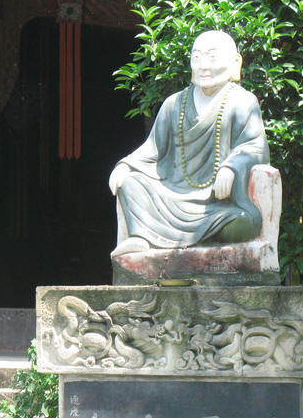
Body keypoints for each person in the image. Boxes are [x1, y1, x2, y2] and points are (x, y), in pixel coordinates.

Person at [109, 31, 270, 256]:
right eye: (197, 57)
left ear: (235, 62)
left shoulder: (242, 101)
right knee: (130, 183)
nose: (203, 66)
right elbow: (152, 149)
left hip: (215, 202)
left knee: (243, 223)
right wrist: (126, 165)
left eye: (212, 57)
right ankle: (142, 237)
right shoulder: (173, 104)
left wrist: (231, 167)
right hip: (172, 193)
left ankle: (167, 235)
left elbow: (255, 146)